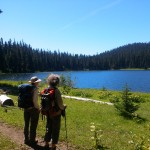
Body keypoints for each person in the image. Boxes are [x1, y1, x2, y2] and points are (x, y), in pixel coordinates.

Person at [42, 74, 66, 150]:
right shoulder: (56, 91)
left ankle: (46, 143)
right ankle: (53, 146)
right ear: (57, 82)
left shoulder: (45, 90)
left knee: (48, 127)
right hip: (56, 113)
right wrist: (64, 107)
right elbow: (60, 104)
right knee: (55, 129)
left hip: (48, 112)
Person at [24, 76, 41, 145]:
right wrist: (38, 108)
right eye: (38, 82)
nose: (39, 83)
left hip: (26, 108)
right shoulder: (35, 89)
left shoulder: (26, 88)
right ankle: (32, 140)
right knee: (33, 125)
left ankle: (26, 139)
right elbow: (34, 101)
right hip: (33, 109)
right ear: (36, 83)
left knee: (26, 124)